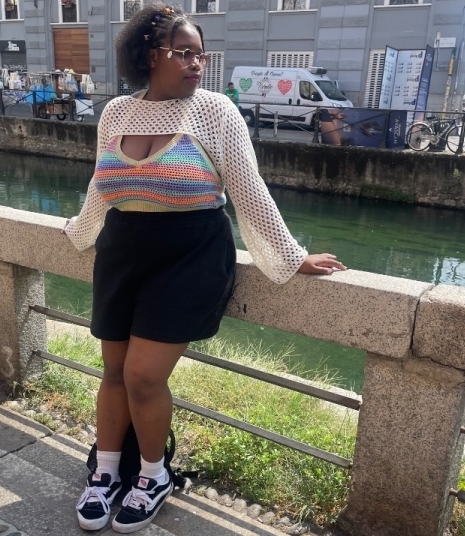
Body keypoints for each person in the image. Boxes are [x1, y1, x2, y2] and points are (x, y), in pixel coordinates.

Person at [63, 3, 346, 533]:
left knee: (143, 376)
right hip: (121, 251)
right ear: (150, 55)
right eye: (184, 53)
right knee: (113, 371)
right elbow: (103, 183)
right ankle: (105, 473)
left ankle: (153, 476)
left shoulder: (216, 110)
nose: (197, 64)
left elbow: (247, 189)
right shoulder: (116, 112)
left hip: (189, 254)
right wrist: (80, 230)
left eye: (201, 55)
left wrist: (291, 256)